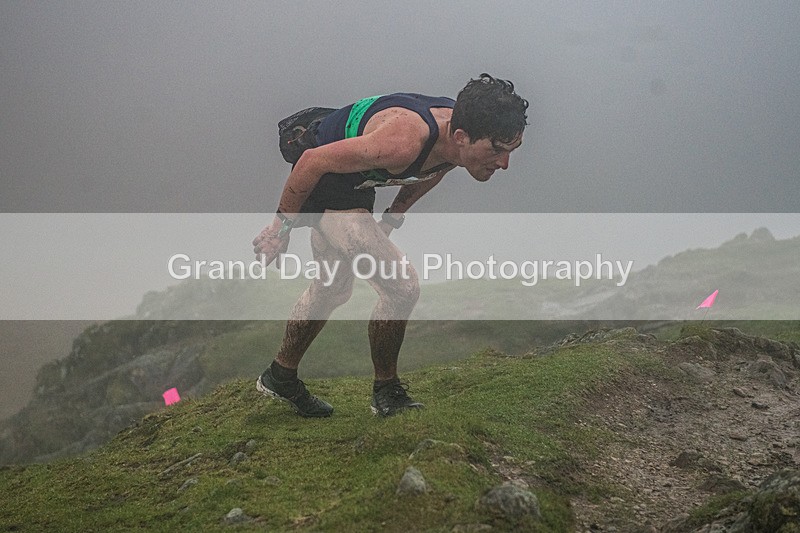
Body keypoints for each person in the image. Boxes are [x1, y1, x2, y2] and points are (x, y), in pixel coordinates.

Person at [253, 74, 528, 417]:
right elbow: (312, 161)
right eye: (497, 151)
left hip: (356, 180)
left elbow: (437, 167)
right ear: (461, 136)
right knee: (401, 287)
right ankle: (387, 393)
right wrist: (279, 228)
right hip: (325, 181)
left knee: (333, 289)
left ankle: (280, 375)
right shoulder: (403, 141)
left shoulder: (457, 137)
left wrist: (393, 216)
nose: (504, 164)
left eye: (511, 151)